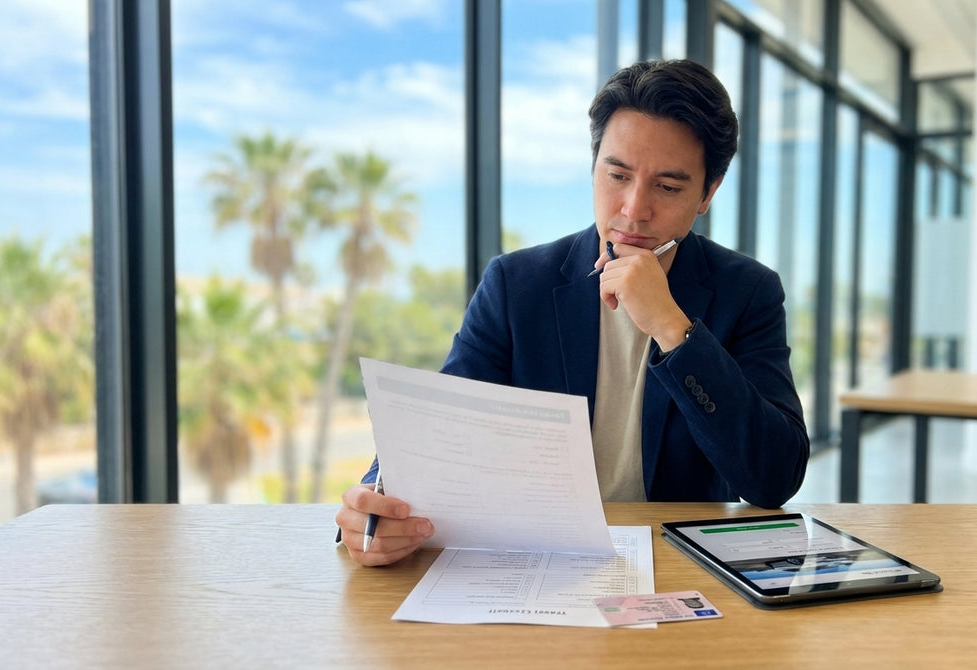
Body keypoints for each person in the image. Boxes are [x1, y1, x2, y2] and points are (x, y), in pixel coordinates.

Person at [336, 58, 810, 566]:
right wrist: (374, 506)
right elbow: (446, 426)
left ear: (707, 194)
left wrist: (674, 328)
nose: (633, 209)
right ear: (593, 168)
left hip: (680, 563)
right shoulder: (517, 284)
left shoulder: (748, 291)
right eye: (617, 175)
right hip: (536, 559)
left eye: (668, 187)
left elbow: (772, 480)